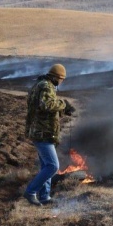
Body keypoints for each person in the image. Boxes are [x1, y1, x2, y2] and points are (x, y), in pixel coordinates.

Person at [23, 63, 76, 206]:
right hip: (42, 133)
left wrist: (62, 109)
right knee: (52, 166)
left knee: (45, 165)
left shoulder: (40, 84)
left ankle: (44, 197)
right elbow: (47, 105)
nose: (61, 82)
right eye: (61, 79)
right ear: (57, 77)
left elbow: (43, 107)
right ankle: (31, 192)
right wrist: (64, 104)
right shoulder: (46, 86)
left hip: (40, 131)